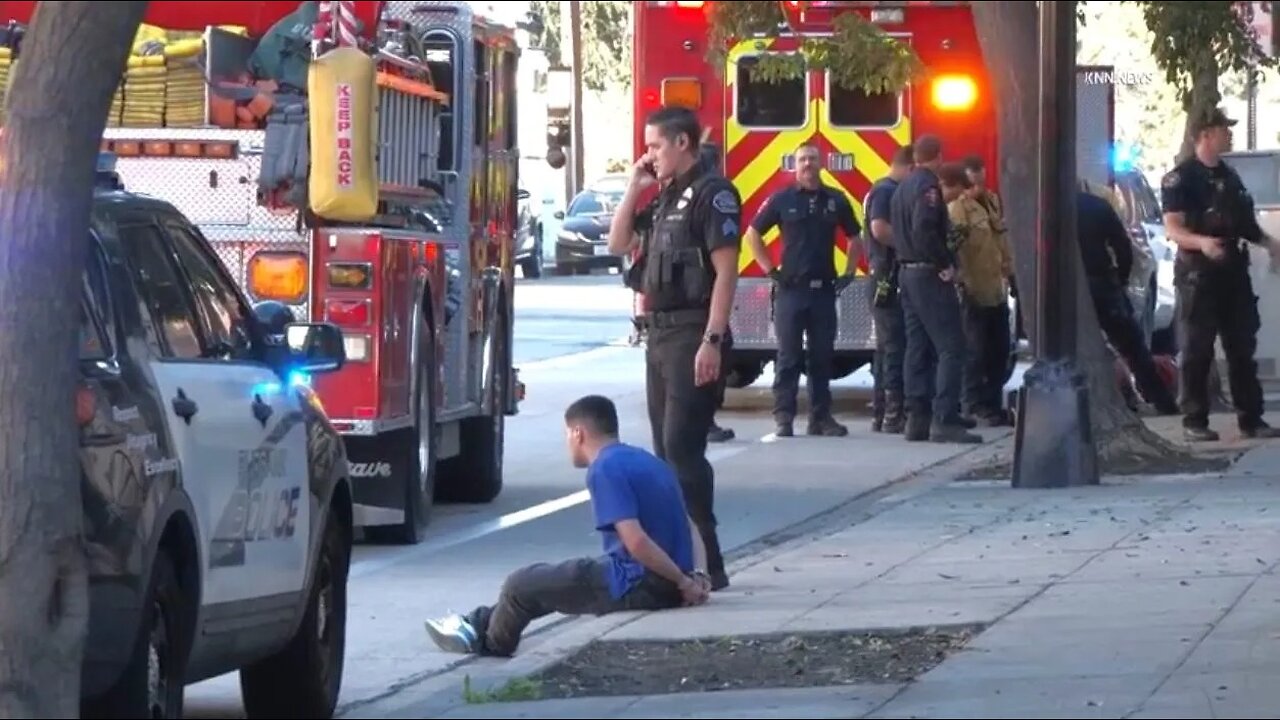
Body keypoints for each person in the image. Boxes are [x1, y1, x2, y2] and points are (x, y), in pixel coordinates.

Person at [423, 395, 712, 657]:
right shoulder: (650, 461)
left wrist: (683, 583)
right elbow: (692, 527)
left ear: (578, 433)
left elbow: (635, 541)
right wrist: (697, 574)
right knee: (549, 583)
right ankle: (474, 622)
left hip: (641, 583)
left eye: (567, 435)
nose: (567, 443)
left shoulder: (604, 469)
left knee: (520, 583)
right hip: (665, 577)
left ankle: (490, 644)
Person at [606, 106, 739, 590]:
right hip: (658, 334)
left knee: (683, 449)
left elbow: (727, 271)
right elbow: (619, 242)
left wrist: (713, 339)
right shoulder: (663, 197)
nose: (650, 155)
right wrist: (633, 187)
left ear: (683, 143)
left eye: (656, 146)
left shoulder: (713, 194)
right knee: (665, 451)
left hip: (692, 332)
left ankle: (709, 560)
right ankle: (686, 557)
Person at [1160, 107, 1280, 441]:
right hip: (1198, 275)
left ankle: (1251, 419)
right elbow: (1173, 229)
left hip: (1233, 272)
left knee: (1242, 345)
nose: (1229, 134)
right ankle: (1195, 421)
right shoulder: (1181, 178)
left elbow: (1245, 225)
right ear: (1206, 134)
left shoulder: (1230, 177)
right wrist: (1202, 243)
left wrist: (1271, 243)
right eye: (1224, 129)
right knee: (1197, 349)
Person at [743, 143, 859, 437]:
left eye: (813, 159)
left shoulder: (835, 200)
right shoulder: (782, 200)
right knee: (789, 357)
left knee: (822, 358)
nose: (808, 164)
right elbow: (753, 234)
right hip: (791, 292)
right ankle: (784, 418)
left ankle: (820, 419)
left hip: (823, 292)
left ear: (821, 165)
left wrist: (848, 272)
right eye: (803, 159)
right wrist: (770, 270)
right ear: (795, 166)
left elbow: (856, 236)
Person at [889, 134, 982, 444]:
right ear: (939, 157)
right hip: (928, 275)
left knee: (917, 346)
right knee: (951, 346)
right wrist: (945, 262)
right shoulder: (928, 187)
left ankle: (917, 419)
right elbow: (924, 229)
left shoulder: (903, 187)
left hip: (907, 273)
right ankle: (944, 418)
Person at [1076, 186, 1180, 416]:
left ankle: (1089, 404)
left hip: (1068, 287)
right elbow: (1123, 246)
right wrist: (1120, 279)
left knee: (1071, 348)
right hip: (1101, 283)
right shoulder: (1097, 206)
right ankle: (1162, 401)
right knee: (1133, 348)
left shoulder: (1046, 210)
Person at [943, 163, 1015, 427]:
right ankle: (973, 405)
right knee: (975, 352)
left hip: (995, 289)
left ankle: (993, 405)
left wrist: (1011, 272)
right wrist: (958, 280)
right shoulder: (957, 209)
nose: (977, 189)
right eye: (972, 184)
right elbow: (953, 247)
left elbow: (1001, 241)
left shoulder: (992, 202)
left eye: (982, 182)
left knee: (999, 350)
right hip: (972, 289)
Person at [865, 146, 914, 434]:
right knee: (895, 345)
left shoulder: (883, 189)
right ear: (908, 167)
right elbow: (879, 229)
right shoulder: (885, 191)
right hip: (886, 277)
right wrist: (910, 243)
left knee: (886, 348)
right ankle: (893, 414)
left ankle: (882, 412)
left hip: (884, 275)